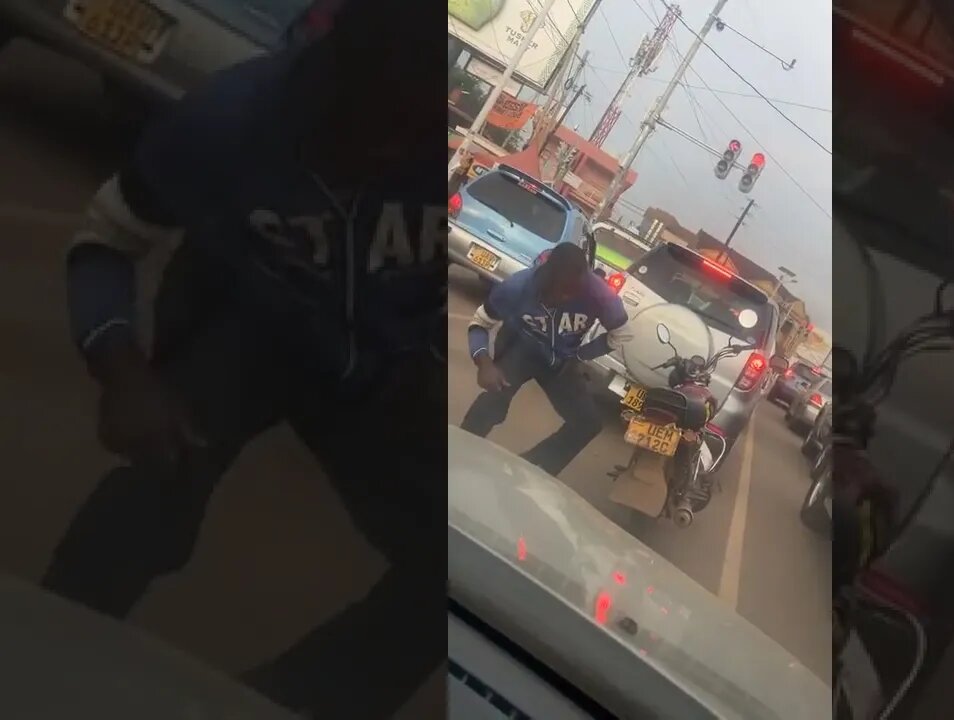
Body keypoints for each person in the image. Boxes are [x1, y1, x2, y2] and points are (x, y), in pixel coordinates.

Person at [42, 1, 442, 717]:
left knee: (451, 574)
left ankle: (283, 702)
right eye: (368, 123)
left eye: (412, 132)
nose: (389, 152)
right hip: (244, 320)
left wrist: (431, 365)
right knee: (159, 477)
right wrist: (124, 373)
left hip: (376, 365)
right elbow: (106, 238)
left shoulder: (439, 163)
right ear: (322, 80)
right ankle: (50, 645)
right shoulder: (233, 115)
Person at [460, 243, 631, 476]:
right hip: (519, 346)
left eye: (573, 292)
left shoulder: (601, 296)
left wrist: (581, 356)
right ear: (546, 275)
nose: (564, 297)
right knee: (491, 402)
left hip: (562, 359)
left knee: (588, 423)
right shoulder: (518, 286)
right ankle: (458, 457)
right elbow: (480, 323)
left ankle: (531, 469)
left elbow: (622, 334)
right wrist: (484, 363)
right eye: (559, 289)